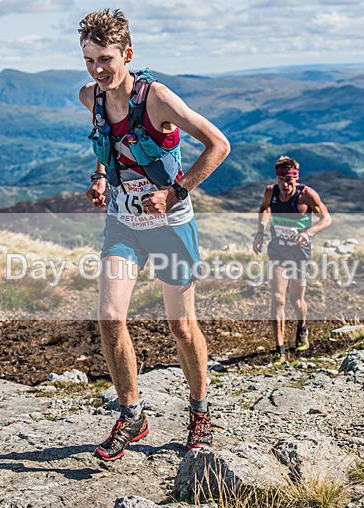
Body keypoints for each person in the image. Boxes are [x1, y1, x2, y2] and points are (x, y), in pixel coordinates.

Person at [78, 9, 230, 461]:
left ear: (127, 54)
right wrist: (101, 176)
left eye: (105, 59)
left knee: (181, 326)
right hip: (124, 223)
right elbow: (105, 137)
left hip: (169, 225)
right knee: (110, 318)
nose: (97, 70)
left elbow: (218, 145)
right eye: (89, 60)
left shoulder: (157, 99)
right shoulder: (90, 96)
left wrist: (176, 192)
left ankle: (200, 412)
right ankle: (131, 416)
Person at [252, 156, 331, 359]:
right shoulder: (270, 192)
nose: (285, 185)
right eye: (281, 180)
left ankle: (302, 327)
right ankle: (279, 349)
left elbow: (326, 219)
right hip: (278, 251)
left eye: (289, 180)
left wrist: (309, 233)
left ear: (296, 178)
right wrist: (260, 232)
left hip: (299, 254)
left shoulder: (307, 195)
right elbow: (264, 208)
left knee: (296, 301)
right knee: (278, 299)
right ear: (277, 178)